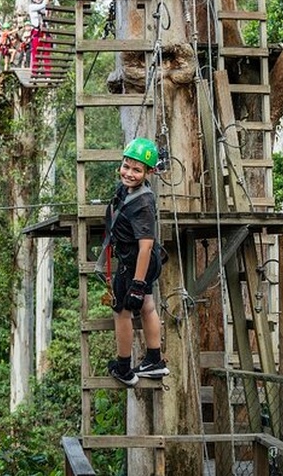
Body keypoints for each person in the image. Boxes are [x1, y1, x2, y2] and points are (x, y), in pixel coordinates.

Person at [100, 138, 170, 386]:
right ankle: (154, 360)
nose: (129, 173)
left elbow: (146, 245)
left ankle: (124, 368)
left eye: (137, 170)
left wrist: (137, 284)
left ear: (149, 172)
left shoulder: (142, 203)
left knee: (122, 312)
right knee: (148, 307)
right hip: (142, 262)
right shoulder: (130, 190)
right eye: (126, 166)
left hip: (136, 263)